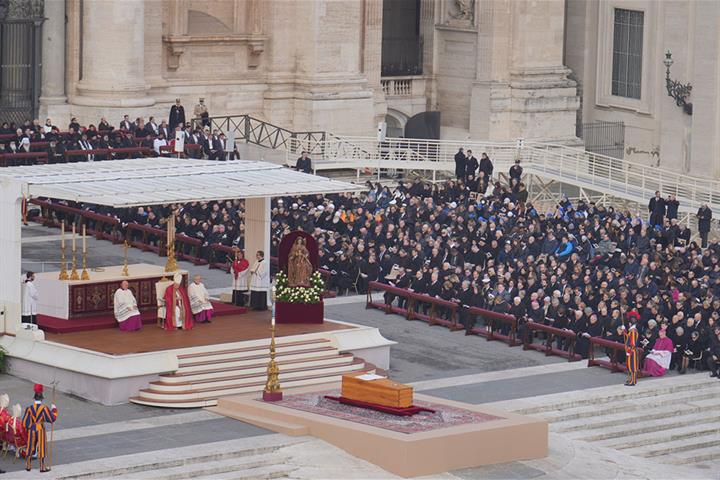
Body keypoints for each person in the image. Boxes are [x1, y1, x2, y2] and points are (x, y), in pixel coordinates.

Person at [22, 384, 58, 473]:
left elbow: (25, 422)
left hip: (32, 429)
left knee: (30, 446)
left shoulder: (29, 409)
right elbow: (51, 419)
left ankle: (28, 465)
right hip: (40, 429)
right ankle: (42, 467)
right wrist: (54, 409)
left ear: (34, 398)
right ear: (42, 398)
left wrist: (29, 427)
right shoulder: (44, 408)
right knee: (41, 447)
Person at [622, 322, 639, 386]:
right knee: (630, 366)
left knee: (633, 366)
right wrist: (625, 331)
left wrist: (629, 349)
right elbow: (629, 338)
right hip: (630, 350)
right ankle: (631, 379)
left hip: (632, 351)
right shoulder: (631, 331)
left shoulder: (633, 332)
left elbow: (633, 343)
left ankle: (633, 381)